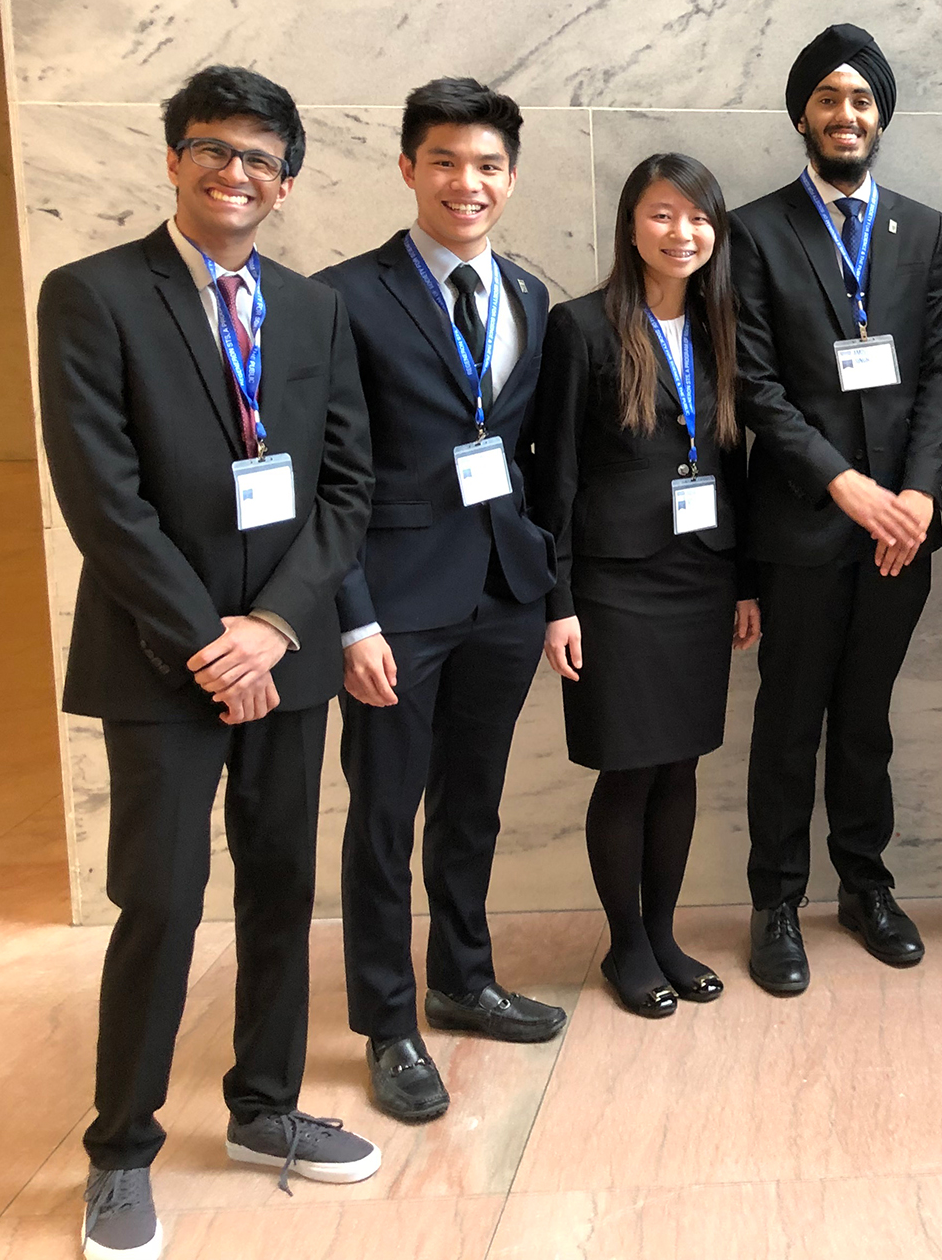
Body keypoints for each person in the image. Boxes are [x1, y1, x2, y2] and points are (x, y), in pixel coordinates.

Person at [36, 66, 379, 1260]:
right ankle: (120, 1150)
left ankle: (264, 1109)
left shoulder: (313, 311)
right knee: (162, 903)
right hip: (159, 661)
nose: (236, 173)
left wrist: (275, 631)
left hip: (283, 655)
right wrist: (206, 642)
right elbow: (103, 499)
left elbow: (347, 491)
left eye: (260, 158)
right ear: (172, 161)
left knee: (282, 886)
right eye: (212, 149)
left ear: (285, 181)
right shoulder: (90, 296)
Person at [315, 78, 566, 1128]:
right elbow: (332, 476)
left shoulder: (528, 296)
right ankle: (385, 1020)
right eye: (448, 162)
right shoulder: (342, 297)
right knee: (383, 817)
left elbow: (531, 455)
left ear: (510, 176)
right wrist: (352, 619)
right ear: (409, 168)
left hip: (502, 593)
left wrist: (550, 594)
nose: (470, 183)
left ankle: (462, 977)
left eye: (489, 166)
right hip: (397, 607)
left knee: (473, 802)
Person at [730, 23, 942, 994]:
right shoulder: (754, 231)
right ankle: (776, 900)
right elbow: (754, 384)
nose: (845, 113)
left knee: (864, 720)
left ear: (881, 116)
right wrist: (847, 485)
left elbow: (939, 371)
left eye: (860, 98)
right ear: (801, 116)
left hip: (897, 538)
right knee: (789, 719)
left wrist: (911, 493)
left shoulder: (924, 229)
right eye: (827, 98)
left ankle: (863, 884)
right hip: (801, 526)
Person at [533, 153, 761, 1017]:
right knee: (628, 770)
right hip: (612, 585)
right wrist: (556, 601)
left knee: (681, 766)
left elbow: (733, 466)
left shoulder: (722, 327)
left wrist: (743, 583)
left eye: (698, 218)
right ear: (632, 224)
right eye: (663, 215)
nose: (682, 233)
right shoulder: (581, 328)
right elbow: (550, 478)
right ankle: (625, 946)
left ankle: (664, 933)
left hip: (701, 577)